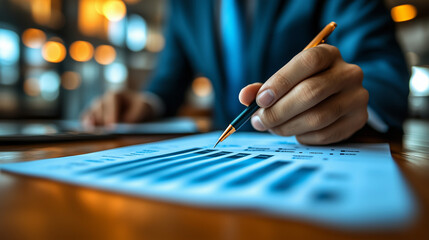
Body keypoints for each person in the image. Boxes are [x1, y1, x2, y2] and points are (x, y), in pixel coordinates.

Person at [82, 0, 409, 145]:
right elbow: (170, 78)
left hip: (311, 151)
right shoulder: (183, 4)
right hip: (224, 163)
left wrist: (352, 103)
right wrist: (146, 103)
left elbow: (384, 71)